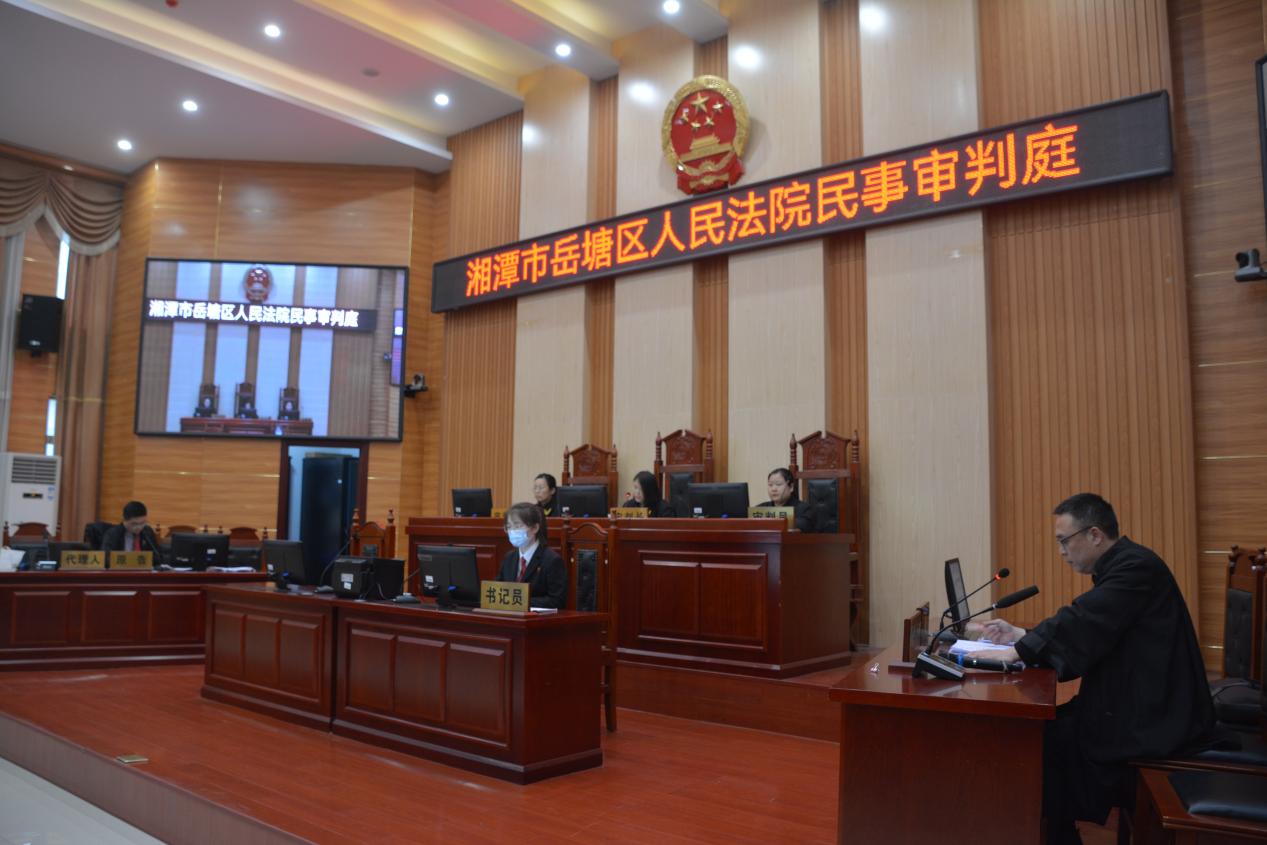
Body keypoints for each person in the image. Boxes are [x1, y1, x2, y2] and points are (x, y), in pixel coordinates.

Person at [980, 493, 1215, 845]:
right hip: (1143, 702)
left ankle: (1056, 836)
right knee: (1049, 730)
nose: (1061, 551)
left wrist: (1018, 650)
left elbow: (1085, 618)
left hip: (1158, 718)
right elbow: (1091, 626)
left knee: (1041, 743)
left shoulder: (1135, 568)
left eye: (1064, 541)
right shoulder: (1127, 564)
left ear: (1094, 535)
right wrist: (1022, 636)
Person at [496, 502, 567, 608]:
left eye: (517, 526)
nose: (512, 531)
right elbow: (498, 590)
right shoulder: (509, 558)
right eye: (509, 527)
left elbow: (557, 601)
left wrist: (521, 601)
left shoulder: (552, 560)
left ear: (535, 528)